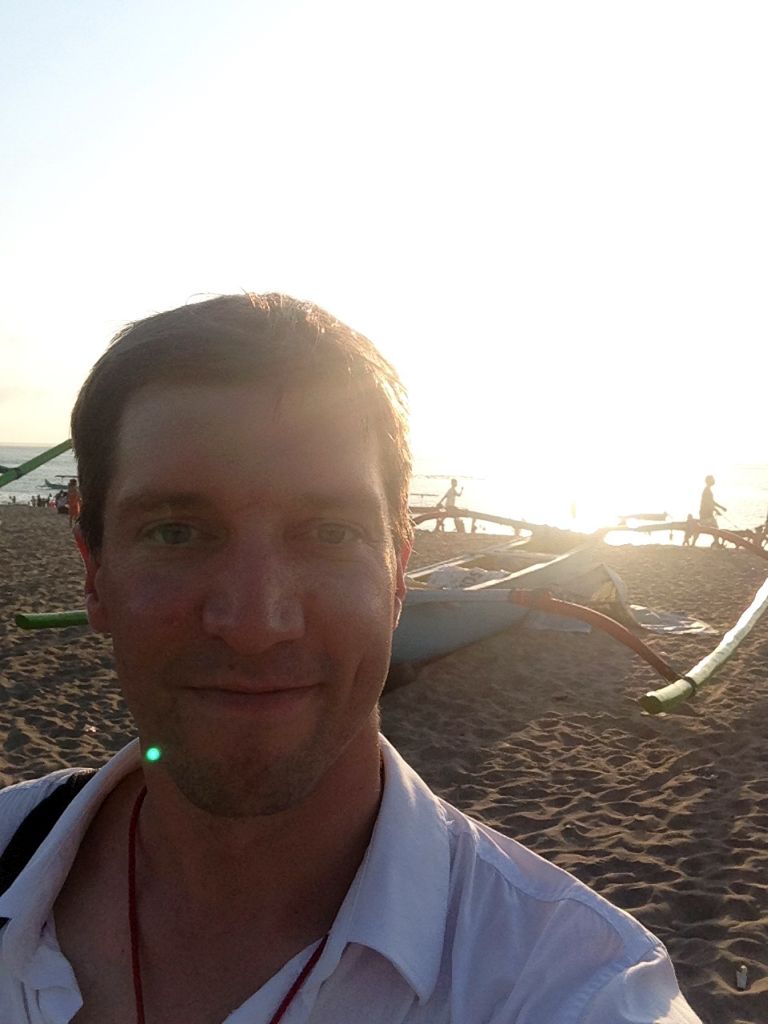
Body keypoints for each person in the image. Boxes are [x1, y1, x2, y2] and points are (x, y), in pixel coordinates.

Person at [0, 294, 700, 1023]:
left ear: (399, 570)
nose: (255, 625)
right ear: (92, 571)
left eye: (329, 533)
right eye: (177, 532)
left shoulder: (576, 989)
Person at [699, 474, 726, 548]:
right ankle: (717, 543)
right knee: (715, 528)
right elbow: (708, 503)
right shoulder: (707, 491)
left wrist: (721, 507)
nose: (714, 481)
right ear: (709, 481)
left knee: (715, 528)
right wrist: (716, 510)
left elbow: (712, 502)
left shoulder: (708, 490)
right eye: (712, 480)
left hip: (707, 514)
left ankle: (716, 543)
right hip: (706, 514)